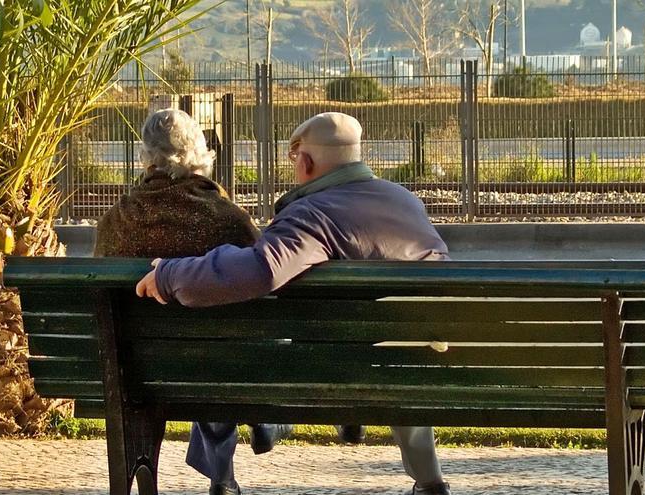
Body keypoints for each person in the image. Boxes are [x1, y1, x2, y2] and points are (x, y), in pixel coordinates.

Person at [136, 112, 452, 495]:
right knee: (396, 346)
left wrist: (170, 275)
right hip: (420, 362)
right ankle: (430, 481)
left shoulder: (312, 214)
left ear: (305, 162)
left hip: (341, 368)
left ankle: (273, 427)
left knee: (246, 340)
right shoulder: (405, 201)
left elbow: (261, 270)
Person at [95, 108, 292, 495]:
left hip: (137, 369)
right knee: (216, 343)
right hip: (220, 362)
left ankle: (226, 470)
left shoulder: (115, 222)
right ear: (200, 152)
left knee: (199, 347)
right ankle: (256, 434)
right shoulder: (226, 218)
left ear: (146, 156)